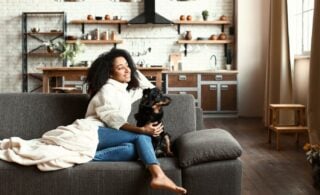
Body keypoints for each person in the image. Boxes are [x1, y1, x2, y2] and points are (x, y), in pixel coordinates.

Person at [85, 48, 187, 195]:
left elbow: (149, 88)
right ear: (109, 73)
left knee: (133, 150)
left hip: (111, 136)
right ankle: (159, 175)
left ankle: (89, 156)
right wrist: (142, 130)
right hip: (94, 132)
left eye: (128, 66)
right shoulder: (107, 90)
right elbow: (114, 119)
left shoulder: (124, 91)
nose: (127, 71)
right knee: (142, 137)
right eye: (121, 68)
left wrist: (130, 68)